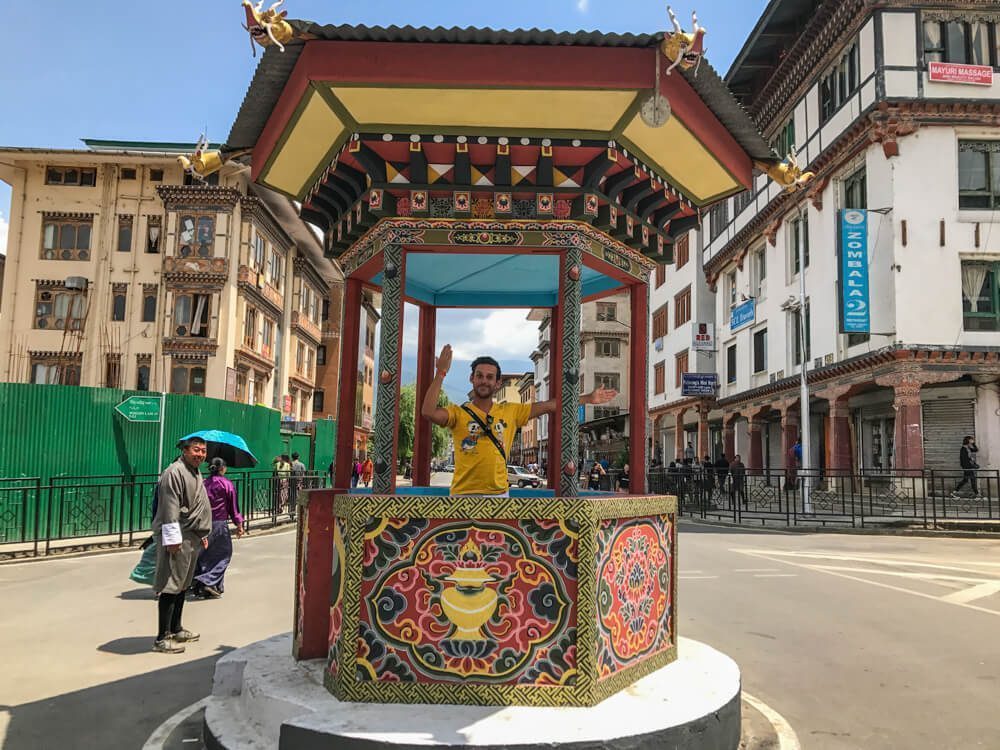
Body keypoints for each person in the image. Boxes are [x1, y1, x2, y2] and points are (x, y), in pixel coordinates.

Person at [421, 345, 615, 496]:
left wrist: (587, 398)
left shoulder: (511, 411)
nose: (484, 381)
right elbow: (428, 411)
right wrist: (441, 373)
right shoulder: (458, 413)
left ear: (497, 384)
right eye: (479, 376)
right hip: (462, 495)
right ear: (471, 378)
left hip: (498, 496)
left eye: (490, 377)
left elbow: (549, 405)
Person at [151, 436, 212, 654]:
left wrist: (202, 532)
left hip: (191, 536)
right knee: (171, 583)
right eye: (196, 450)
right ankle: (162, 637)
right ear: (184, 450)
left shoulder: (195, 472)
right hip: (178, 536)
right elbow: (170, 508)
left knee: (183, 584)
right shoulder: (174, 472)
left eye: (203, 451)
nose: (201, 455)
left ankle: (176, 628)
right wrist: (172, 539)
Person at [192, 458, 245, 599]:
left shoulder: (203, 483)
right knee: (223, 554)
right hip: (219, 524)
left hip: (202, 524)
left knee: (204, 554)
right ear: (222, 468)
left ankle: (209, 584)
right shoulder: (226, 484)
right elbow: (233, 507)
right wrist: (239, 524)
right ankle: (207, 581)